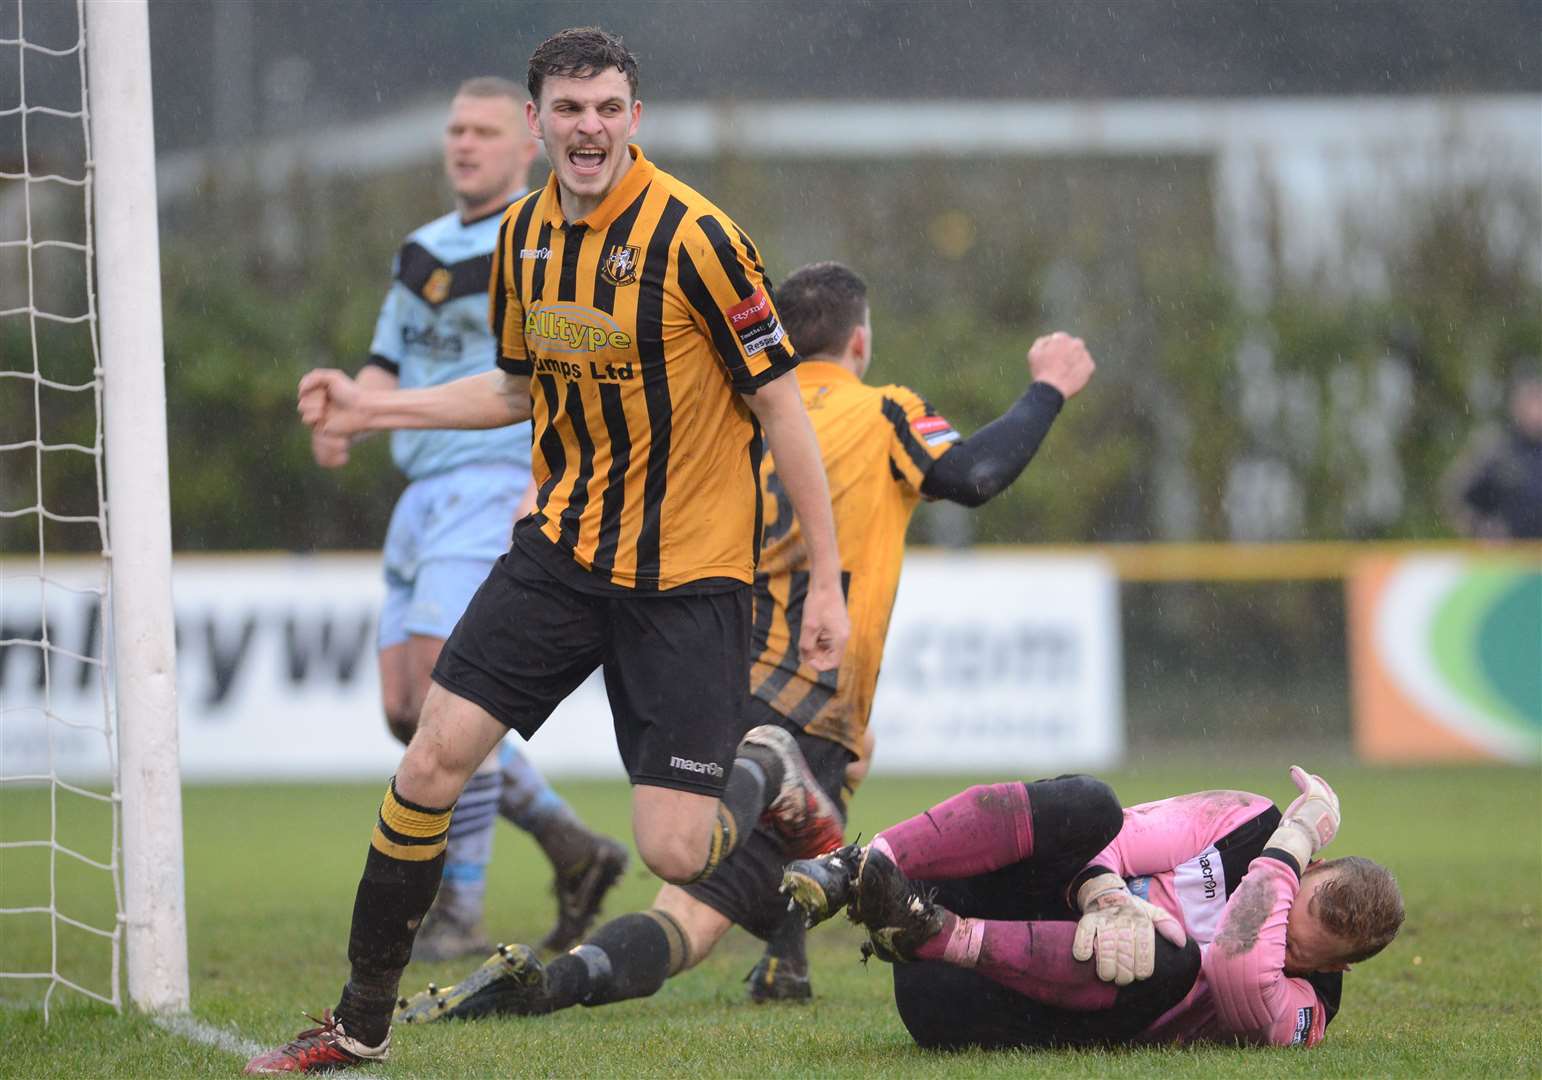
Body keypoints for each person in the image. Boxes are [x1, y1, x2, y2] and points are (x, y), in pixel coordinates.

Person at [246, 28, 850, 1075]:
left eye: (609, 107)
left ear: (634, 118)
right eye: (570, 109)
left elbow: (782, 410)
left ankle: (768, 763)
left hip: (688, 578)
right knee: (431, 756)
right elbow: (517, 389)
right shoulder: (523, 237)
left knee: (676, 849)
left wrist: (825, 580)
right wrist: (373, 406)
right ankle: (358, 1024)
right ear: (541, 122)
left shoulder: (698, 238)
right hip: (561, 552)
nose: (590, 127)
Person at [384, 261, 1096, 1024]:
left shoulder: (731, 406)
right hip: (805, 696)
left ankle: (775, 953)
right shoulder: (879, 410)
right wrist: (1048, 385)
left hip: (708, 676)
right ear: (859, 343)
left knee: (847, 761)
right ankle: (561, 982)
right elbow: (977, 473)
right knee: (696, 914)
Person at [317, 75, 629, 968]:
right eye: (454, 128)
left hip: (497, 481)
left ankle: (457, 907)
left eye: (484, 131)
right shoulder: (420, 251)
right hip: (422, 493)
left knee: (448, 704)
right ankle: (571, 844)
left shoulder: (545, 239)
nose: (464, 144)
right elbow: (388, 360)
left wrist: (547, 477)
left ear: (526, 142)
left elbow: (551, 381)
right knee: (403, 708)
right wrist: (351, 410)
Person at [783, 767, 1403, 1051]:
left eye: (1293, 951)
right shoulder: (1244, 819)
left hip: (978, 1002)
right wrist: (1106, 898)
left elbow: (1239, 967)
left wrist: (1287, 854)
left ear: (1340, 968)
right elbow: (1121, 836)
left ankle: (923, 931)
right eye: (1294, 906)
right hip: (988, 898)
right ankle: (854, 866)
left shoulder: (1311, 1011)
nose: (1278, 938)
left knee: (1174, 960)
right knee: (1089, 802)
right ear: (1315, 873)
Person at [1443, 364, 1542, 540]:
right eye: (1530, 403)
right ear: (1516, 407)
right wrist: (1480, 529)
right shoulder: (1497, 451)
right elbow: (1455, 499)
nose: (1536, 411)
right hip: (1509, 560)